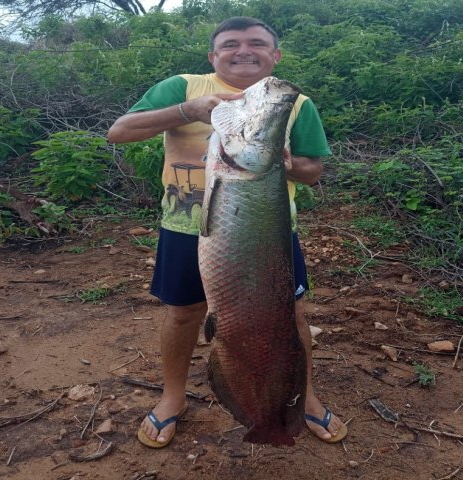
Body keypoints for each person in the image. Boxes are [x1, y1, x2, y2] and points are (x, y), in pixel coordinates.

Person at [108, 16, 347, 448]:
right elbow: (119, 133)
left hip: (266, 233)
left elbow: (313, 170)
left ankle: (303, 397)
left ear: (275, 54)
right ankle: (172, 398)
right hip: (185, 227)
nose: (244, 51)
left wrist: (285, 162)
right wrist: (187, 111)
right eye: (230, 44)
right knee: (184, 314)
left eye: (257, 43)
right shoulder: (183, 87)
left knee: (290, 315)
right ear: (213, 55)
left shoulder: (295, 103)